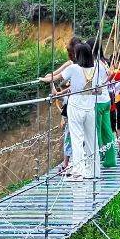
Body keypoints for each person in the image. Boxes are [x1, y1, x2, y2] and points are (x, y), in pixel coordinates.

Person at [47, 41, 99, 181]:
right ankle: (94, 171)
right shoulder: (96, 69)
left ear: (79, 55)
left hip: (75, 107)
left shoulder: (74, 68)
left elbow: (56, 77)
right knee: (91, 139)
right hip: (90, 107)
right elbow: (98, 91)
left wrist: (43, 79)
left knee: (76, 139)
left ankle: (78, 172)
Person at [89, 38, 116, 168]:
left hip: (97, 102)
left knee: (96, 130)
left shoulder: (93, 65)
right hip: (107, 100)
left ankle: (100, 155)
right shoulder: (104, 62)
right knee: (107, 130)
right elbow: (109, 77)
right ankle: (111, 160)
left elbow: (91, 85)